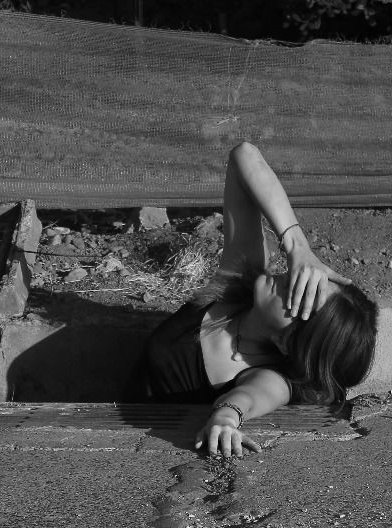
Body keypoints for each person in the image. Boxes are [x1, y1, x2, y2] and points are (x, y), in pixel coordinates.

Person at [132, 142, 378, 457]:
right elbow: (244, 156)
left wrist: (225, 419)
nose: (292, 277)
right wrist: (297, 246)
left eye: (302, 292)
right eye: (305, 276)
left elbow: (248, 398)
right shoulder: (237, 288)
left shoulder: (273, 376)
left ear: (288, 343)